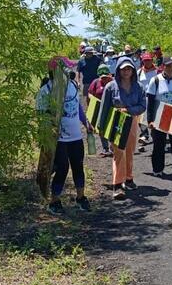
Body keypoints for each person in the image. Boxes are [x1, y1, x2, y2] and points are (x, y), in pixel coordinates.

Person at [36, 58, 91, 213]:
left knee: (78, 166)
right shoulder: (46, 90)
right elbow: (41, 116)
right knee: (62, 168)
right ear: (57, 72)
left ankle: (81, 197)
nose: (70, 71)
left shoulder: (72, 85)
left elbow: (78, 106)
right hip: (59, 139)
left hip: (76, 136)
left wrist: (86, 122)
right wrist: (47, 133)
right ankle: (54, 201)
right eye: (67, 68)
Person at [98, 57, 146, 200]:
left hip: (131, 121)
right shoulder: (111, 87)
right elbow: (104, 107)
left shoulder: (139, 87)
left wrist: (129, 110)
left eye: (128, 69)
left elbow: (143, 106)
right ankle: (118, 184)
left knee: (130, 151)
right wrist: (101, 126)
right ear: (118, 70)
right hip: (116, 121)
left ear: (132, 70)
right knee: (119, 152)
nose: (126, 71)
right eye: (123, 69)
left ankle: (129, 178)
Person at [146, 56, 172, 180]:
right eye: (168, 66)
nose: (170, 68)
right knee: (159, 144)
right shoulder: (155, 80)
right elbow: (150, 101)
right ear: (163, 66)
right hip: (159, 115)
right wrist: (150, 120)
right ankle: (158, 169)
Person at [88, 64, 114, 156]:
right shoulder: (95, 82)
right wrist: (95, 101)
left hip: (111, 108)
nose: (104, 79)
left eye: (106, 77)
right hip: (99, 108)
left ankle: (113, 147)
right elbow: (90, 93)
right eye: (102, 77)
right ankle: (105, 148)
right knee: (101, 127)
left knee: (111, 127)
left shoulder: (113, 83)